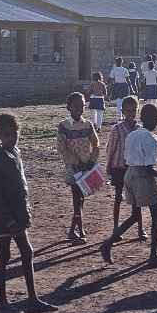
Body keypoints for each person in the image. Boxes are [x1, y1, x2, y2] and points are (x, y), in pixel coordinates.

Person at [0, 113, 58, 313]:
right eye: (7, 135)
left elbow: (19, 188)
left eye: (15, 134)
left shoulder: (14, 154)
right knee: (6, 254)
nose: (12, 138)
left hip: (17, 214)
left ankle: (31, 299)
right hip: (5, 219)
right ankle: (5, 302)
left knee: (25, 252)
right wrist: (8, 220)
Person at [100, 103, 157, 266]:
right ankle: (153, 255)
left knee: (135, 215)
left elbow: (126, 158)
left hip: (129, 174)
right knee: (156, 213)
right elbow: (148, 168)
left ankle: (108, 244)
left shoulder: (132, 135)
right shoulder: (151, 138)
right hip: (142, 176)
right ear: (155, 120)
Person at [56, 92, 99, 244]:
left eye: (82, 105)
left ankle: (73, 231)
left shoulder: (88, 125)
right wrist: (76, 162)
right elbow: (61, 147)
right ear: (69, 107)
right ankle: (80, 231)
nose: (80, 109)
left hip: (86, 167)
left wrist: (92, 161)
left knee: (79, 200)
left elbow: (96, 144)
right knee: (77, 199)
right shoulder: (64, 126)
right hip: (73, 168)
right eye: (76, 106)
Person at [105, 96, 144, 241]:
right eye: (128, 110)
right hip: (119, 168)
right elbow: (111, 149)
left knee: (137, 199)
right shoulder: (117, 129)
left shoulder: (140, 128)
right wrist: (108, 167)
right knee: (118, 197)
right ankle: (116, 228)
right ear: (122, 111)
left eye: (134, 110)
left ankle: (141, 228)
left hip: (134, 168)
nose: (131, 113)